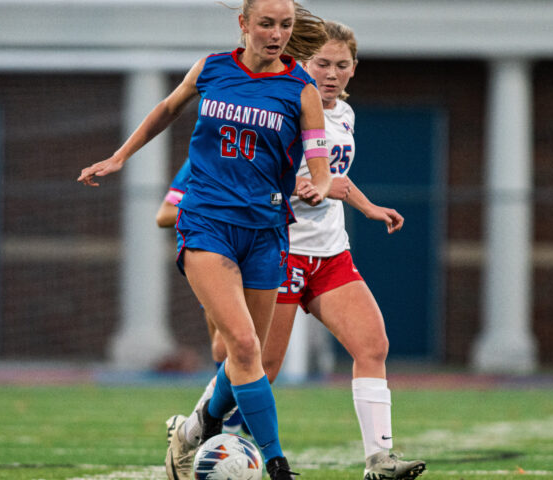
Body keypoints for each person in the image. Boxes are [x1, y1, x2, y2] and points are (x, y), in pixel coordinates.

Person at [79, 0, 332, 479]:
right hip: (206, 223)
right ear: (243, 24)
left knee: (247, 355)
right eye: (266, 24)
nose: (276, 34)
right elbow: (165, 110)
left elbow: (317, 159)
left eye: (285, 25)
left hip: (265, 231)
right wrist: (119, 157)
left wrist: (317, 186)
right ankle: (278, 464)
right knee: (240, 343)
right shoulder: (211, 68)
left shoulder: (302, 90)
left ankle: (199, 426)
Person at [260, 20, 425, 480]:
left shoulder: (345, 115)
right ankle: (195, 433)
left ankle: (379, 460)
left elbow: (334, 179)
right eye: (322, 64)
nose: (331, 74)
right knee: (262, 368)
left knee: (372, 344)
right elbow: (262, 180)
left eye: (341, 65)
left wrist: (370, 207)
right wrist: (302, 187)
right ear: (302, 63)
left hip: (331, 253)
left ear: (354, 69)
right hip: (281, 251)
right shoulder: (282, 109)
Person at [155, 158, 245, 433]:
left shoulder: (268, 149)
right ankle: (227, 423)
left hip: (261, 255)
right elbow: (164, 215)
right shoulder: (200, 159)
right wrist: (213, 207)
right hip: (217, 256)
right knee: (223, 342)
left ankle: (235, 414)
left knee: (257, 349)